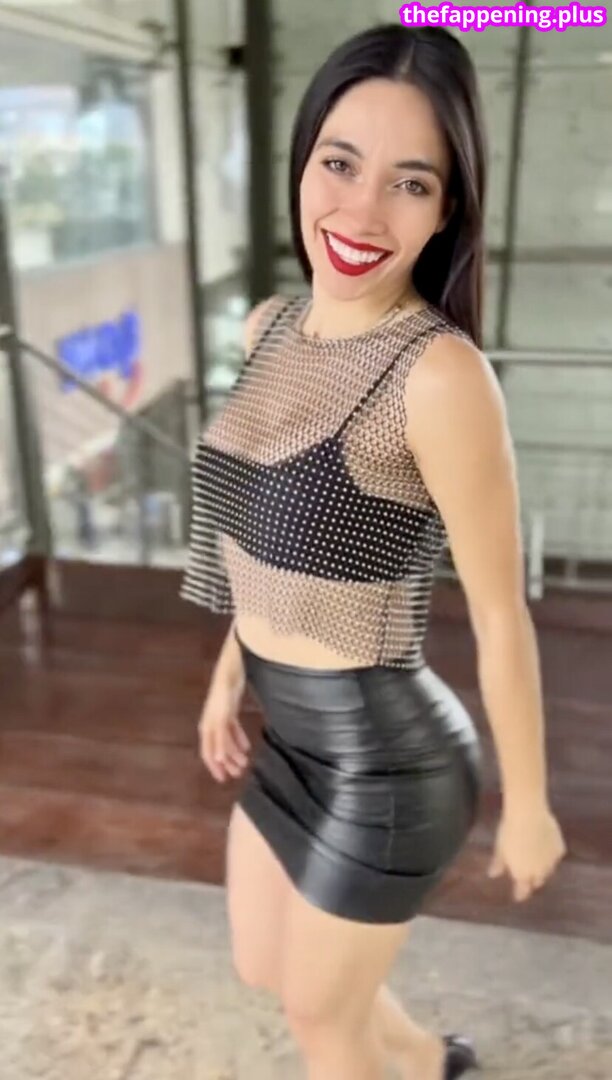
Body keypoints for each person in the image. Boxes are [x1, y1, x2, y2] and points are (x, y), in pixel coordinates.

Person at [180, 23, 567, 1080]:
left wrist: (531, 806)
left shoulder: (439, 377)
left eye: (411, 183)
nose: (360, 213)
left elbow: (501, 616)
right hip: (287, 733)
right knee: (267, 968)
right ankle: (438, 1062)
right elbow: (258, 543)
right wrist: (228, 679)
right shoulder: (270, 328)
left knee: (322, 1021)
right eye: (340, 164)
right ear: (303, 161)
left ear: (448, 211)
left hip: (388, 761)